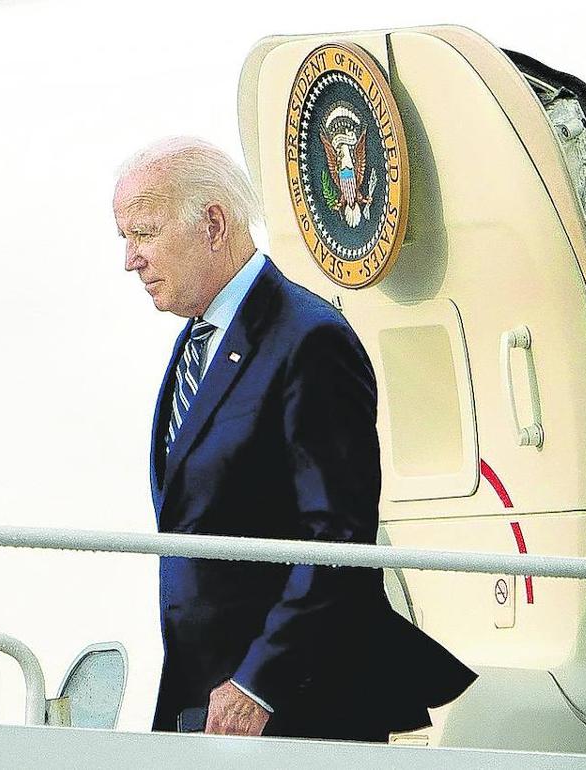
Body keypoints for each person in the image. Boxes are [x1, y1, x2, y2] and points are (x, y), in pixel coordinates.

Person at [112, 136, 476, 741]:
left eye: (144, 233)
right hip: (209, 701)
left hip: (295, 706)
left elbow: (338, 539)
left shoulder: (309, 339)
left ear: (213, 223)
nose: (131, 259)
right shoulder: (196, 343)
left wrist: (259, 683)